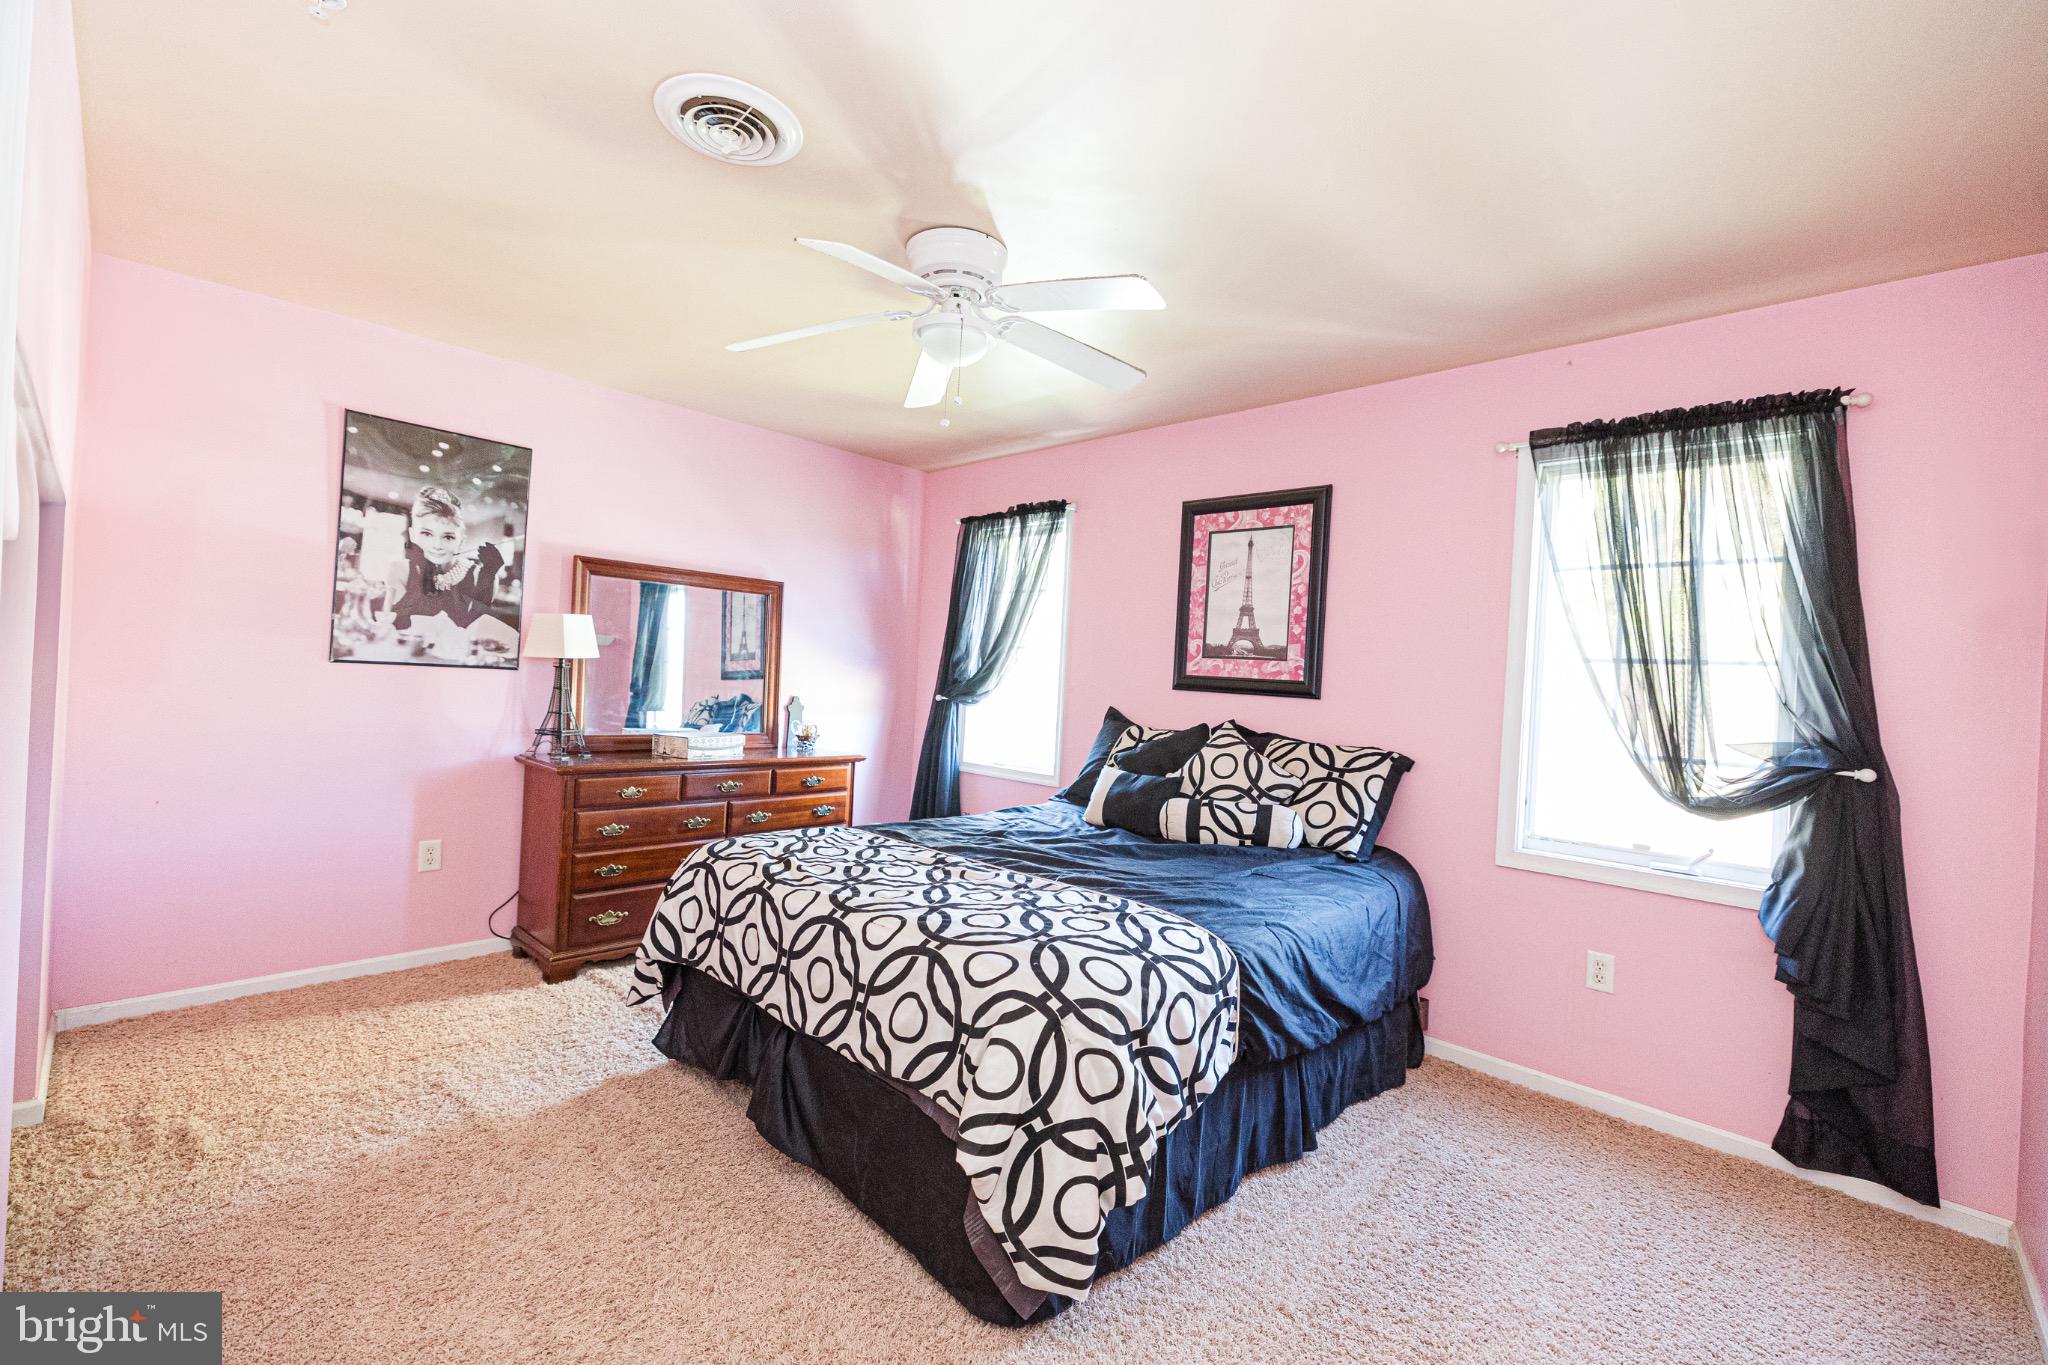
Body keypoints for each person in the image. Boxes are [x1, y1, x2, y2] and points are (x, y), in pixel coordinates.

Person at [383, 486, 507, 631]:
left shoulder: (480, 576)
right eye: (426, 534)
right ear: (412, 535)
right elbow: (390, 627)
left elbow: (474, 632)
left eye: (448, 537)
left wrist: (488, 577)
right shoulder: (400, 569)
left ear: (461, 541)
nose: (437, 545)